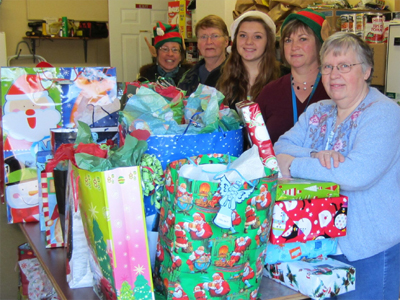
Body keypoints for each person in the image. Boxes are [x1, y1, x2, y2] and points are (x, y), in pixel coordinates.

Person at [275, 32, 400, 300]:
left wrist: (295, 164)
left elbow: (356, 174)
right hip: (318, 246)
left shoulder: (383, 113)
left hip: (367, 250)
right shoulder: (318, 110)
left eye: (344, 66)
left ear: (366, 71)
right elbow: (280, 147)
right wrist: (316, 154)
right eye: (328, 67)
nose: (334, 75)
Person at [256, 9, 331, 144]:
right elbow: (254, 144)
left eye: (303, 39)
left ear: (319, 44)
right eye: (288, 40)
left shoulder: (334, 90)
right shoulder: (270, 93)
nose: (294, 46)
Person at [217, 11, 281, 110]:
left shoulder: (284, 78)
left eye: (257, 37)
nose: (249, 42)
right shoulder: (217, 77)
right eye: (243, 35)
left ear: (268, 42)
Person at [178, 15, 229, 95]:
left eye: (215, 36)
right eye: (203, 37)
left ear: (226, 41)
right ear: (197, 43)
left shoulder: (237, 74)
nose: (209, 42)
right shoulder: (189, 77)